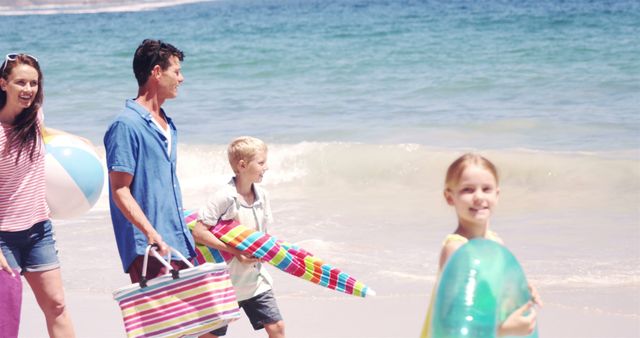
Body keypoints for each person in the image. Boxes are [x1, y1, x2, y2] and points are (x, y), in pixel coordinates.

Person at [420, 153, 542, 338]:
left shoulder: (497, 244)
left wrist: (524, 290)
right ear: (449, 197)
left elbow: (500, 294)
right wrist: (503, 330)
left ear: (497, 195)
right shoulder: (455, 249)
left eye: (486, 189)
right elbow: (452, 321)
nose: (479, 197)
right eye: (468, 190)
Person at [104, 39, 196, 283]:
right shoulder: (125, 125)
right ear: (157, 72)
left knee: (207, 319)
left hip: (178, 242)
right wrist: (150, 233)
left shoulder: (168, 123)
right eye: (176, 71)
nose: (181, 78)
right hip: (150, 247)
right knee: (166, 321)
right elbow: (119, 190)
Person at [0, 53, 76, 337]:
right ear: (3, 84)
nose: (28, 89)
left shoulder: (34, 117)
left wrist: (74, 139)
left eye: (33, 83)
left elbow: (43, 132)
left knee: (57, 305)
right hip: (2, 238)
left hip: (38, 231)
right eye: (21, 82)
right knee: (5, 322)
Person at [192, 136, 286, 338]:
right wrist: (237, 252)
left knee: (277, 327)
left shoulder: (263, 195)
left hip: (256, 281)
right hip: (225, 283)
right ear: (242, 165)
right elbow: (199, 232)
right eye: (261, 163)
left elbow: (262, 234)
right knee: (210, 335)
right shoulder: (224, 197)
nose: (266, 167)